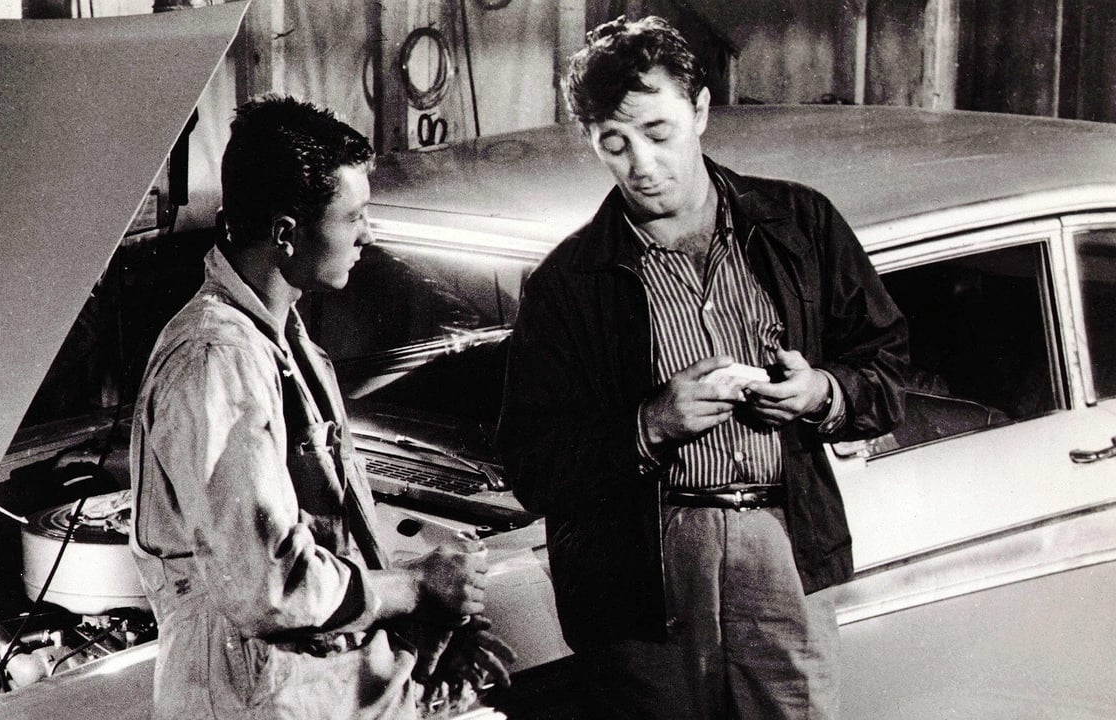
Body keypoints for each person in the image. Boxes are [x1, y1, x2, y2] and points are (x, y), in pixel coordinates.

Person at [497, 16, 908, 720]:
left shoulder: (801, 224)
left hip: (782, 546)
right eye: (614, 143)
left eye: (658, 132)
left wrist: (820, 392)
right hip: (639, 574)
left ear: (702, 112)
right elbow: (532, 466)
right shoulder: (565, 282)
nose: (642, 165)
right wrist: (650, 424)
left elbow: (889, 368)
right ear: (590, 141)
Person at [130, 95, 514, 720]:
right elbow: (268, 586)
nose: (368, 234)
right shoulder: (217, 360)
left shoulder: (279, 341)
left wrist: (424, 626)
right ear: (286, 234)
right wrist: (416, 587)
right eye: (353, 215)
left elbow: (321, 550)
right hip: (253, 704)